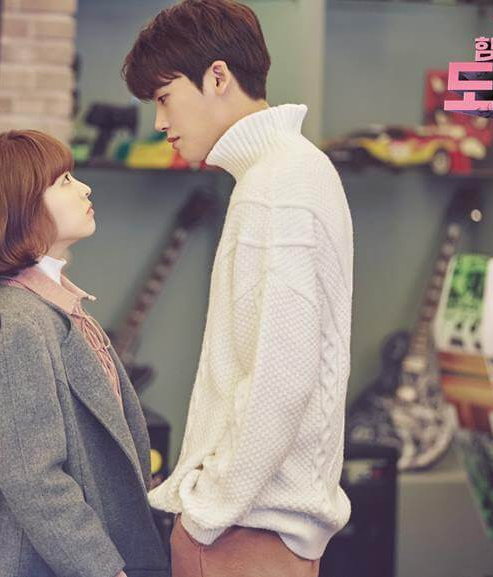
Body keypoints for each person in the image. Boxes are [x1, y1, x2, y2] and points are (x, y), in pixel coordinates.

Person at [122, 2, 354, 576]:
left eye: (165, 97)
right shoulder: (291, 169)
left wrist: (207, 512)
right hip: (261, 529)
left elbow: (283, 375)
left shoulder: (276, 185)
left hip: (244, 533)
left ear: (218, 77)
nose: (160, 122)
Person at [0, 129, 169, 577]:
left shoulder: (52, 306)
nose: (85, 188)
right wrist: (104, 570)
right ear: (22, 207)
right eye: (64, 181)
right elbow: (34, 479)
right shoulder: (16, 321)